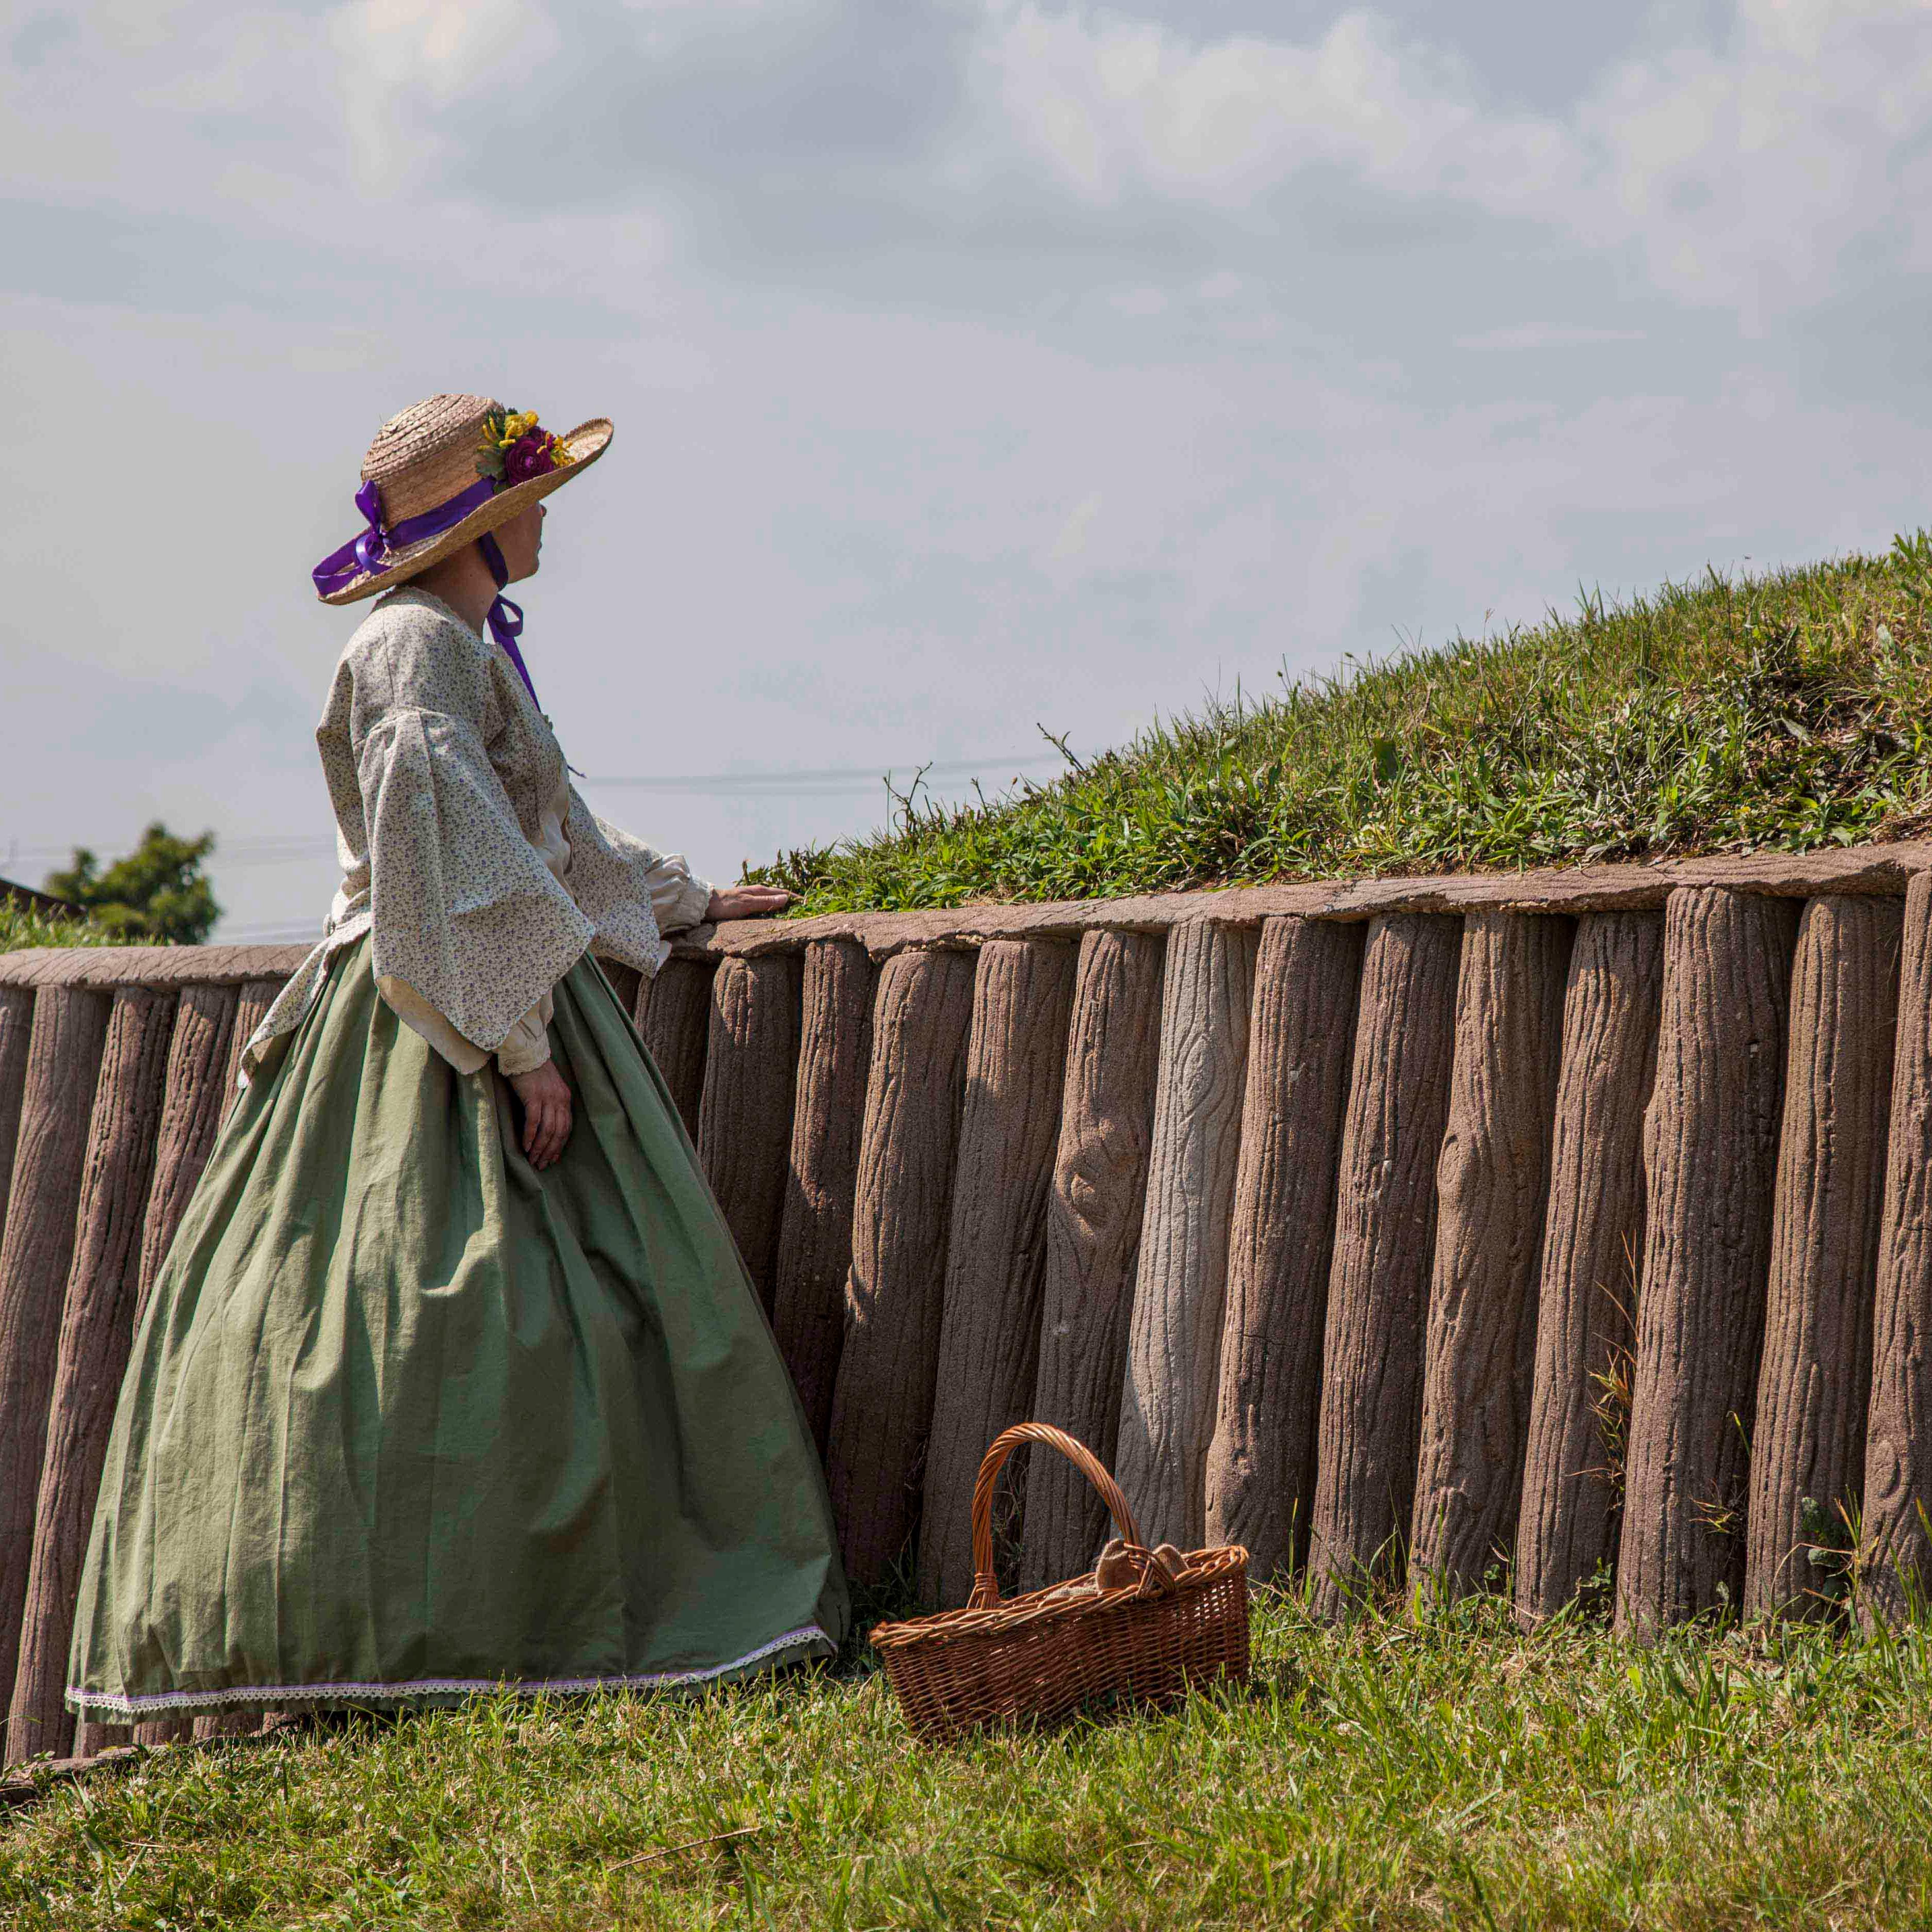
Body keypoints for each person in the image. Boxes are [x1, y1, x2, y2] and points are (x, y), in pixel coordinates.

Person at [66, 394, 848, 1726]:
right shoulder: (416, 645)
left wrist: (679, 901)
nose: (544, 520)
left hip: (477, 993)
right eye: (526, 502)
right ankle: (455, 1638)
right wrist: (517, 1045)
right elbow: (438, 842)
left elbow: (531, 832)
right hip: (438, 1018)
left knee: (515, 1330)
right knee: (458, 1325)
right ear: (478, 526)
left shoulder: (450, 639)